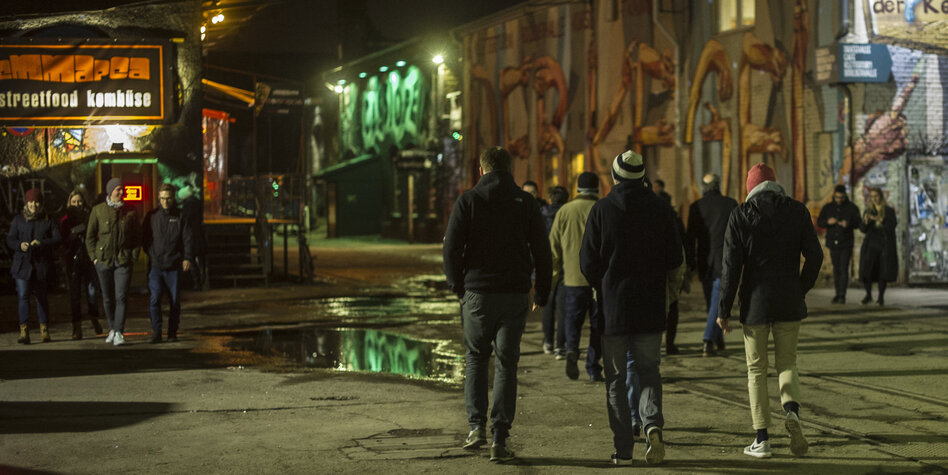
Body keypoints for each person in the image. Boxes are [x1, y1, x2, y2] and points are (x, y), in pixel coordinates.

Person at [444, 146, 552, 463]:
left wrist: (458, 286)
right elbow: (542, 250)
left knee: (476, 358)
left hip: (477, 293)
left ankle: (475, 427)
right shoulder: (525, 202)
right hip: (514, 294)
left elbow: (451, 248)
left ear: (481, 170)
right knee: (507, 363)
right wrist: (541, 292)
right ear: (510, 170)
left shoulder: (468, 201)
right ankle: (499, 437)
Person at [580, 150, 683, 465]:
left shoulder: (601, 210)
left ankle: (624, 450)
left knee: (615, 378)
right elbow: (675, 258)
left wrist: (604, 284)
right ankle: (651, 425)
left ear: (614, 176)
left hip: (614, 310)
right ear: (642, 177)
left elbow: (587, 262)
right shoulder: (661, 209)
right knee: (648, 372)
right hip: (650, 307)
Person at [717, 163, 822, 459]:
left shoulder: (740, 215)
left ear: (750, 188)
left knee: (756, 370)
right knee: (787, 363)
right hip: (789, 302)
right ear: (775, 185)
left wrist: (723, 309)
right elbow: (815, 255)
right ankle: (792, 412)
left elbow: (731, 267)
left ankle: (762, 439)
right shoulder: (797, 211)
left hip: (755, 305)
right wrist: (800, 288)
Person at [550, 172, 603, 381]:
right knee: (598, 325)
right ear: (597, 188)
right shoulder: (603, 209)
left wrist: (552, 279)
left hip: (572, 278)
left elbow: (553, 249)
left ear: (578, 189)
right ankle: (593, 367)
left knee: (572, 320)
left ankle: (572, 348)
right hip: (599, 280)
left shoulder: (565, 211)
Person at [87, 177, 142, 346]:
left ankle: (119, 331)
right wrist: (94, 258)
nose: (121, 192)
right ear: (110, 191)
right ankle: (112, 328)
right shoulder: (98, 210)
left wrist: (133, 255)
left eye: (122, 189)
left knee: (121, 297)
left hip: (123, 260)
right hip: (104, 260)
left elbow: (137, 236)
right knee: (107, 298)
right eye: (118, 189)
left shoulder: (131, 211)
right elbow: (90, 237)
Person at [686, 174, 737, 357]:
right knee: (715, 301)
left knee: (713, 300)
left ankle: (710, 339)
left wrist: (690, 263)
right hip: (725, 258)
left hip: (704, 260)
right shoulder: (730, 204)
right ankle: (713, 338)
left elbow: (690, 238)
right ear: (718, 185)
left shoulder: (696, 207)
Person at [7, 188, 62, 344]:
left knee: (41, 297)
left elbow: (57, 238)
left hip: (40, 265)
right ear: (26, 202)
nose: (34, 205)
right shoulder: (18, 220)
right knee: (23, 296)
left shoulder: (48, 219)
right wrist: (20, 245)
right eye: (31, 201)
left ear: (41, 203)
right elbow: (10, 239)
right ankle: (24, 331)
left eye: (37, 202)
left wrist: (42, 243)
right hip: (22, 265)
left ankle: (44, 330)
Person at [143, 184, 194, 343]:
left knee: (174, 301)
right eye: (163, 198)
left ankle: (172, 332)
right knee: (155, 298)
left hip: (173, 266)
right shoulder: (152, 216)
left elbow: (187, 238)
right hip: (156, 266)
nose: (166, 201)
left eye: (169, 198)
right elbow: (145, 238)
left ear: (173, 198)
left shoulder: (180, 216)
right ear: (159, 197)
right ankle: (157, 331)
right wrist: (152, 254)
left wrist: (187, 257)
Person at [61, 189, 104, 339]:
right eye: (74, 201)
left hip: (88, 259)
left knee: (92, 293)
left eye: (79, 201)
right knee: (75, 295)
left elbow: (96, 233)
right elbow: (62, 239)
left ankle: (94, 317)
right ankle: (77, 327)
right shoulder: (65, 219)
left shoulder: (90, 215)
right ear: (69, 202)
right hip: (73, 260)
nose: (77, 204)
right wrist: (71, 236)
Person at [657, 190, 693, 355]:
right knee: (672, 305)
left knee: (658, 307)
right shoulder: (674, 220)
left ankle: (658, 342)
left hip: (658, 270)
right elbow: (684, 243)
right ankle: (670, 343)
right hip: (673, 269)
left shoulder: (652, 218)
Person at [817, 185, 861, 304]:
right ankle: (837, 293)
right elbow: (820, 222)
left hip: (846, 242)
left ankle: (842, 294)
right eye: (837, 197)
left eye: (841, 198)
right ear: (834, 196)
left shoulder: (851, 208)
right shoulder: (828, 207)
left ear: (845, 196)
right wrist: (828, 222)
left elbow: (858, 223)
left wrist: (848, 223)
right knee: (836, 269)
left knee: (843, 268)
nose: (839, 200)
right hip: (833, 242)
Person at [540, 186, 569, 357]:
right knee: (563, 307)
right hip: (565, 265)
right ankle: (560, 345)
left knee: (547, 305)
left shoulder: (541, 215)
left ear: (550, 199)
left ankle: (548, 342)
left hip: (546, 264)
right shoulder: (567, 214)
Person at [859, 187, 898, 306]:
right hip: (870, 246)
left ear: (881, 196)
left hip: (884, 246)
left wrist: (879, 220)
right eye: (872, 196)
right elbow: (863, 229)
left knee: (882, 273)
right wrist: (866, 222)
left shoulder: (888, 211)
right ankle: (868, 295)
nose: (874, 199)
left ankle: (881, 297)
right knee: (867, 271)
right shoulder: (868, 211)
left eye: (876, 196)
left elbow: (891, 226)